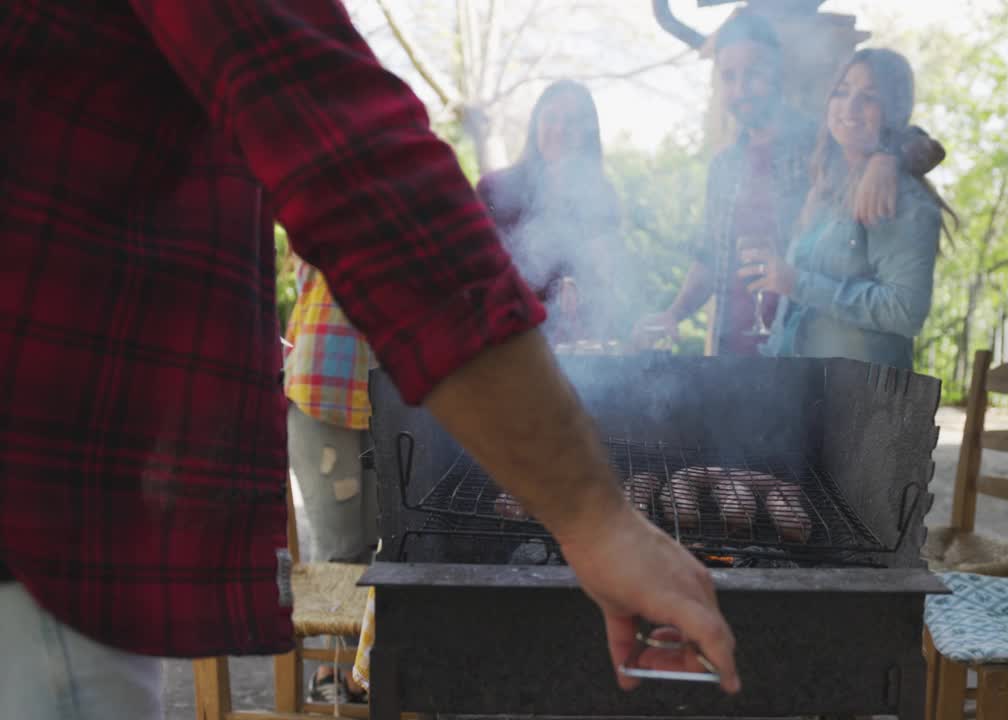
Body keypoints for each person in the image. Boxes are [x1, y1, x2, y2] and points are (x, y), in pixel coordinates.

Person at [0, 3, 738, 718]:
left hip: (47, 527)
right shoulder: (498, 189)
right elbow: (360, 170)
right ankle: (338, 690)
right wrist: (594, 517)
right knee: (345, 547)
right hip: (32, 542)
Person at [633, 12, 946, 357]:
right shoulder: (724, 165)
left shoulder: (821, 143)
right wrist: (673, 313)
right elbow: (708, 256)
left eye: (753, 75)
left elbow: (922, 144)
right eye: (729, 77)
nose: (741, 89)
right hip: (738, 345)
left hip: (817, 357)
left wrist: (887, 157)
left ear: (777, 72)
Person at [745, 48, 950, 369]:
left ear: (894, 111)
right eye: (841, 92)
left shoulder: (898, 197)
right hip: (801, 387)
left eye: (869, 97)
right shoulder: (827, 186)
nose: (850, 107)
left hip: (862, 401)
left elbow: (904, 312)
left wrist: (796, 282)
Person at [282, 256, 378, 703]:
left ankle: (367, 671)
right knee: (340, 549)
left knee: (384, 543)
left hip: (384, 389)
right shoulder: (331, 199)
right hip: (324, 391)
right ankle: (331, 675)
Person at [478, 80, 624, 344]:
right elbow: (479, 275)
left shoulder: (601, 197)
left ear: (587, 133)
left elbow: (607, 279)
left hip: (576, 349)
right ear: (535, 124)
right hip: (507, 343)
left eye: (572, 121)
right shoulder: (494, 189)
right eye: (552, 117)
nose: (559, 129)